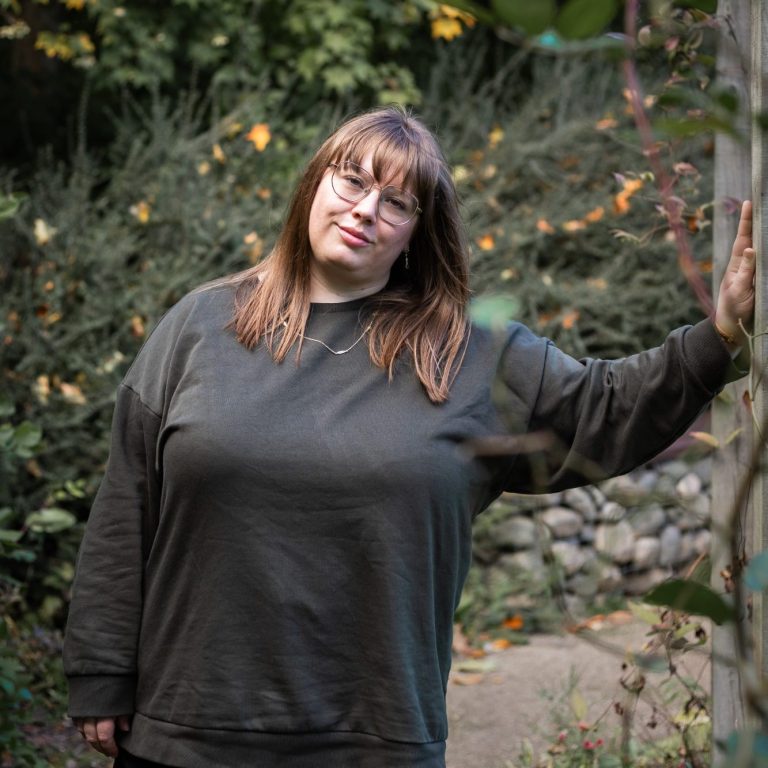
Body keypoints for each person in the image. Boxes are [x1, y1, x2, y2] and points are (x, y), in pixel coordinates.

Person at [63, 105, 755, 768]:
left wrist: (721, 335)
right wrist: (100, 670)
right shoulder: (201, 325)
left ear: (417, 233)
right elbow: (127, 502)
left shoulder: (471, 352)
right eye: (353, 180)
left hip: (375, 739)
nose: (366, 209)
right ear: (315, 183)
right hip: (187, 732)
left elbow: (604, 407)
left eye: (397, 203)